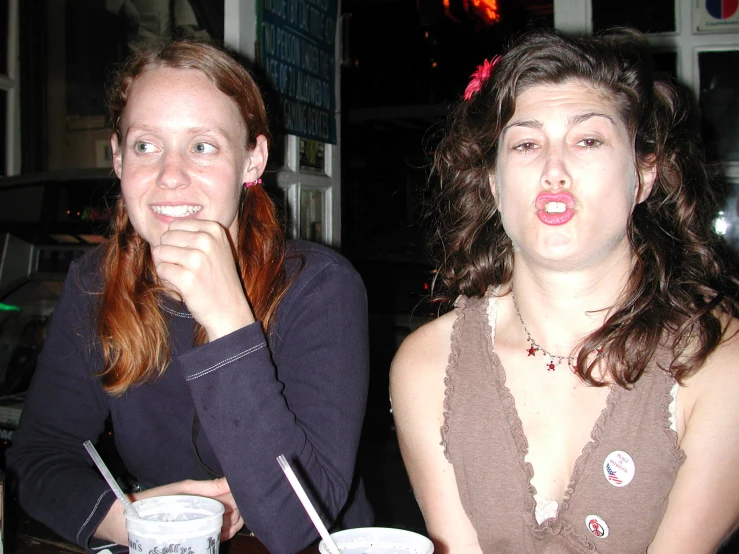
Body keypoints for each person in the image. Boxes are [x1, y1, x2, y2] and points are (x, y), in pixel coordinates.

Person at [7, 38, 372, 554]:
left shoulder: (321, 286)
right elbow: (38, 456)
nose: (170, 176)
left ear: (253, 160)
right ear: (117, 157)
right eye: (146, 146)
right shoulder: (96, 280)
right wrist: (134, 519)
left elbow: (295, 524)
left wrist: (227, 320)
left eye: (203, 146)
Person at [390, 28, 739, 554]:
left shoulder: (719, 359)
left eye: (588, 140)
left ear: (644, 176)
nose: (554, 170)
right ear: (493, 183)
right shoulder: (426, 366)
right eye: (527, 144)